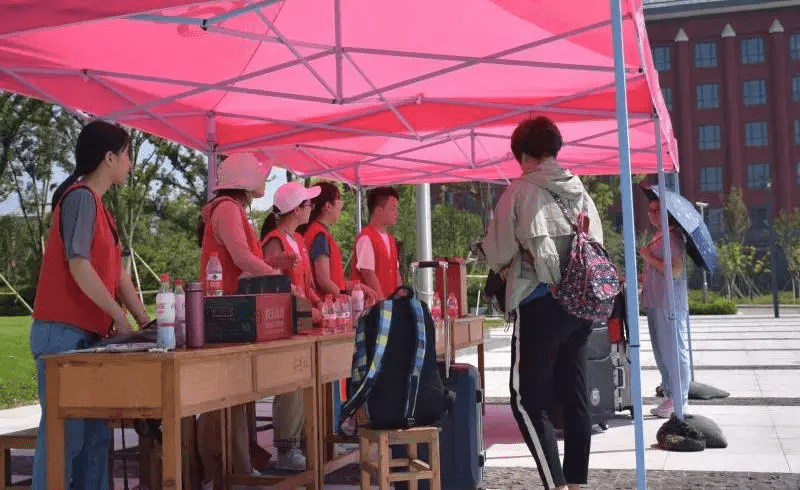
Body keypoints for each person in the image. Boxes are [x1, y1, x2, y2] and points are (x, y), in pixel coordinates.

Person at [481, 116, 602, 490]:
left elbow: (499, 253)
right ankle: (577, 483)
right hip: (581, 303)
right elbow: (597, 241)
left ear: (522, 154)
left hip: (540, 303)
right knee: (575, 395)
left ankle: (557, 485)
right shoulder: (580, 190)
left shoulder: (518, 191)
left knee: (526, 399)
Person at [29, 120, 150, 490]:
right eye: (128, 155)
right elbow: (78, 265)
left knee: (95, 442)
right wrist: (119, 316)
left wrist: (146, 323)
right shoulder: (80, 198)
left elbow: (120, 279)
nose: (131, 163)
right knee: (67, 441)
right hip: (63, 336)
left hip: (87, 339)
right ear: (109, 158)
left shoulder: (102, 210)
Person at [196, 152, 281, 485]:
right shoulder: (228, 209)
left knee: (236, 397)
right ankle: (232, 470)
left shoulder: (230, 209)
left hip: (230, 310)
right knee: (227, 397)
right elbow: (242, 257)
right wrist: (274, 274)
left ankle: (237, 467)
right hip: (224, 313)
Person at [260, 180, 324, 471]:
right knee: (292, 383)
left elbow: (307, 284)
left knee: (304, 380)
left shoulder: (298, 240)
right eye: (308, 204)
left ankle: (306, 439)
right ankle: (286, 447)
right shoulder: (275, 239)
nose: (311, 208)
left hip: (301, 323)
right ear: (296, 209)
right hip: (282, 325)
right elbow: (266, 280)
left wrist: (318, 304)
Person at [640, 195, 690, 419]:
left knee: (673, 351)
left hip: (668, 303)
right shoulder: (660, 237)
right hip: (656, 301)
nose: (651, 213)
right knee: (662, 351)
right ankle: (670, 392)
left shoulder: (672, 237)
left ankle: (679, 398)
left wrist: (649, 258)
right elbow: (656, 271)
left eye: (656, 210)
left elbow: (675, 271)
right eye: (650, 209)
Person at [300, 181, 379, 301]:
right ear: (327, 206)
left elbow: (335, 280)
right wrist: (344, 296)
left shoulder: (316, 232)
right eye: (339, 200)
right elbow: (323, 280)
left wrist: (358, 287)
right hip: (326, 308)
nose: (342, 205)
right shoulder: (320, 236)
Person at [351, 186, 402, 299]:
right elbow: (369, 274)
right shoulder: (366, 237)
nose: (397, 213)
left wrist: (401, 298)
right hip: (373, 307)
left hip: (389, 305)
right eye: (393, 209)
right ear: (379, 210)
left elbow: (395, 272)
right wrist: (383, 302)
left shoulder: (390, 239)